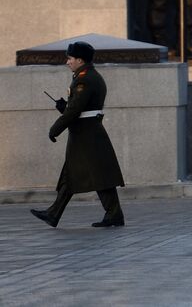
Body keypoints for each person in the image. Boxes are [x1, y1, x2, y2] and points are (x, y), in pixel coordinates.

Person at [30, 41, 125, 228]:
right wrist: (63, 108)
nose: (68, 62)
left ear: (80, 60)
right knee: (78, 175)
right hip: (87, 133)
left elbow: (75, 110)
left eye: (70, 58)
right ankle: (54, 213)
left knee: (95, 176)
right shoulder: (88, 76)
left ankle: (112, 214)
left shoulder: (84, 79)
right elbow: (78, 108)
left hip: (86, 135)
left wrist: (55, 128)